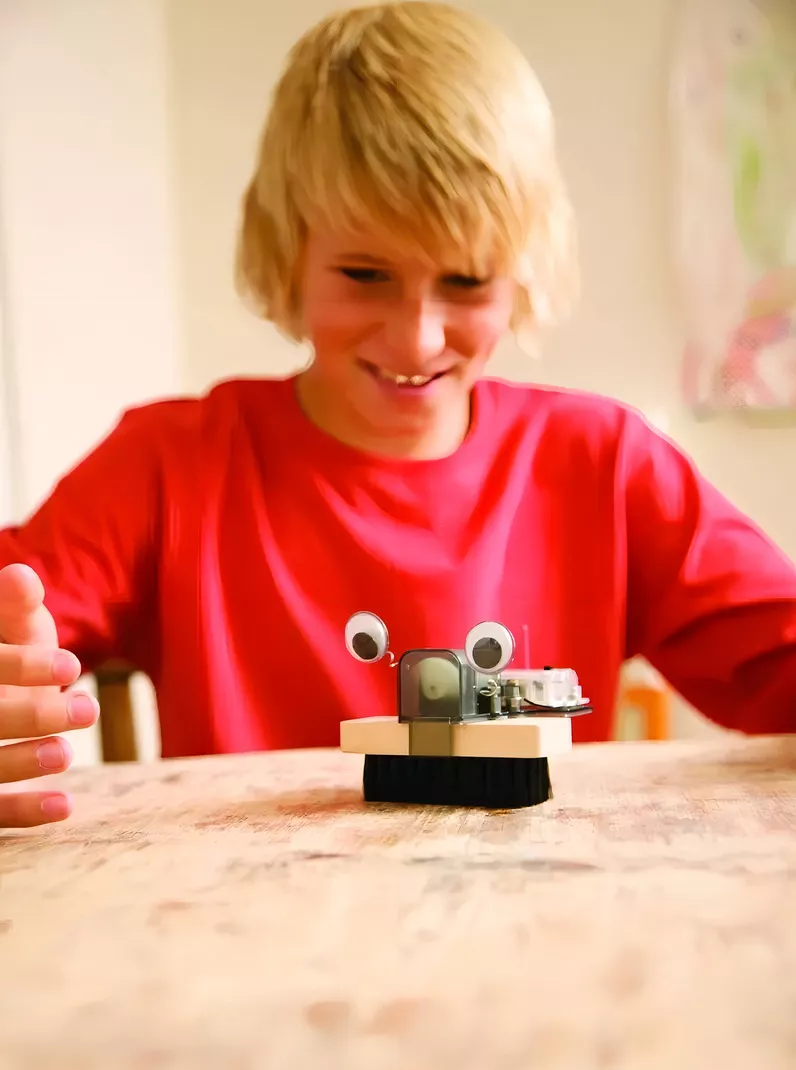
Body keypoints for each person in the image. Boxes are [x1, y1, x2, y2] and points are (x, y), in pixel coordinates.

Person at [1, 0, 795, 829]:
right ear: (289, 253)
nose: (417, 337)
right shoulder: (170, 462)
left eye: (465, 281)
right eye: (365, 274)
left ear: (521, 273)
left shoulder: (605, 461)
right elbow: (16, 622)